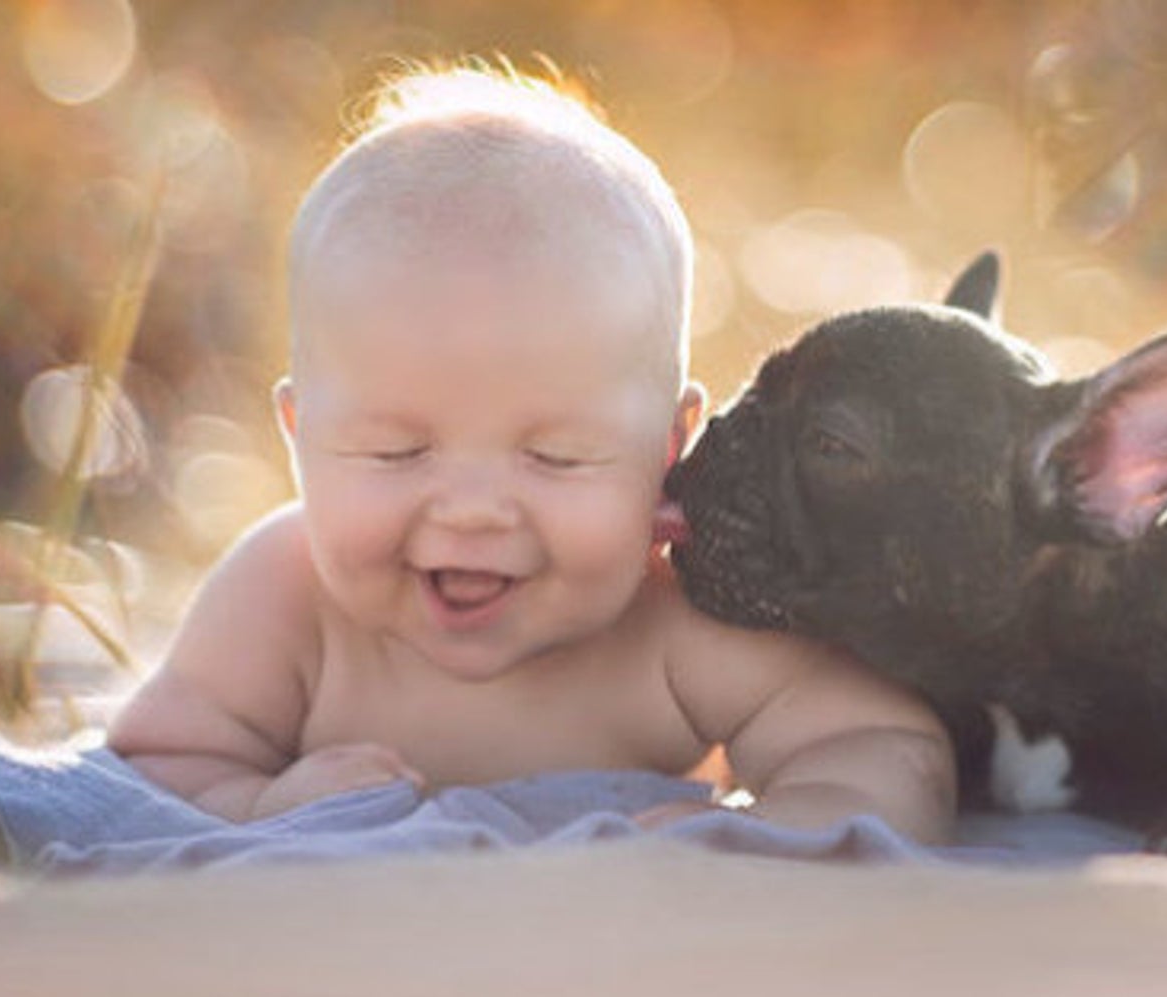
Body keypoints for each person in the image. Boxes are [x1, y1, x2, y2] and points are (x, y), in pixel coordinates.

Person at [105, 65, 956, 844]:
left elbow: (881, 744)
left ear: (669, 447)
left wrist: (777, 829)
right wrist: (256, 806)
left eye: (555, 456)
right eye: (397, 450)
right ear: (301, 437)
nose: (473, 508)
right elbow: (149, 772)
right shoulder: (284, 599)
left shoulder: (674, 619)